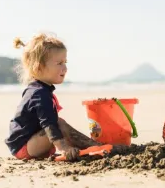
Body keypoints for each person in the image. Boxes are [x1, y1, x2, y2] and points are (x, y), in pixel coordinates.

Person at [5, 32, 102, 161]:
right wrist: (63, 148)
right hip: (24, 147)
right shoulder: (39, 94)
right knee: (58, 123)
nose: (65, 68)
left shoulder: (39, 89)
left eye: (65, 62)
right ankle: (95, 146)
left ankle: (93, 146)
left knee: (59, 123)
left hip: (29, 143)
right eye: (59, 63)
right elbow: (49, 124)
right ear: (39, 67)